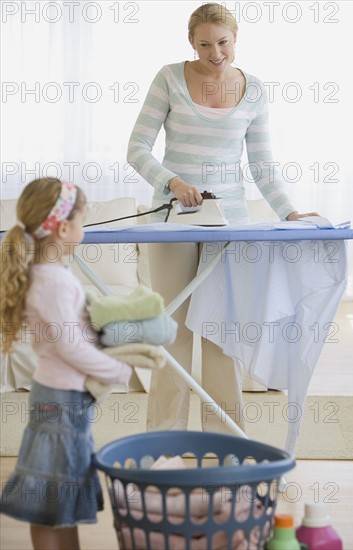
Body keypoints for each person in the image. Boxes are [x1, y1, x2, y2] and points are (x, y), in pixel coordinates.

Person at [127, 3, 318, 434]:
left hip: (229, 223)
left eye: (224, 42)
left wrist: (289, 211)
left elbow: (263, 164)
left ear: (236, 39)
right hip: (174, 221)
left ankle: (228, 441)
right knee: (172, 333)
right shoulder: (169, 78)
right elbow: (137, 148)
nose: (216, 53)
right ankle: (164, 440)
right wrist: (172, 182)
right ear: (191, 43)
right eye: (205, 44)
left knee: (221, 334)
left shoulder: (254, 90)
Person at [0, 178, 134, 550]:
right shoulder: (55, 282)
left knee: (62, 489)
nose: (83, 228)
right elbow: (71, 348)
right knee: (50, 492)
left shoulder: (50, 277)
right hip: (60, 401)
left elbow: (70, 336)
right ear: (63, 228)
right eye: (82, 220)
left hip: (61, 399)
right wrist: (120, 370)